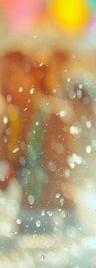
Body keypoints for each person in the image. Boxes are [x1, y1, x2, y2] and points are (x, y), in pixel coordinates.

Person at [0, 49, 80, 235]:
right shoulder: (8, 124)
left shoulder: (55, 116)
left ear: (33, 75)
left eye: (11, 74)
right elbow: (3, 185)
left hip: (58, 218)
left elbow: (56, 175)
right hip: (26, 217)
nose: (5, 82)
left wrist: (18, 162)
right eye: (1, 76)